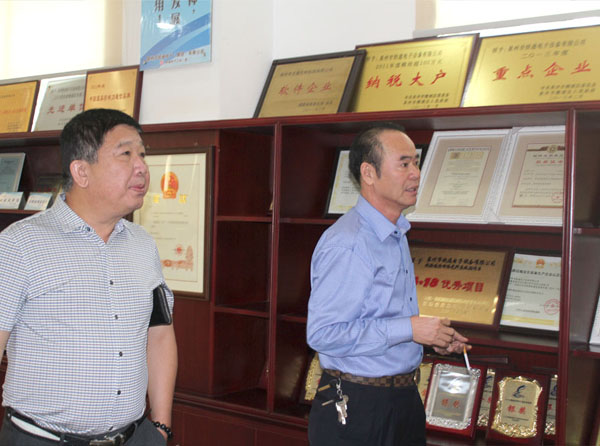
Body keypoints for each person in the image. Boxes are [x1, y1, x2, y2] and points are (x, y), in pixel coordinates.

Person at [0, 108, 177, 446]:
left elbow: (159, 334)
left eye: (142, 154)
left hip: (134, 437)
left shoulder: (143, 245)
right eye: (125, 154)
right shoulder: (19, 245)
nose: (141, 167)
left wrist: (161, 426)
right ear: (81, 171)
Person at [306, 123, 469, 446]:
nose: (416, 174)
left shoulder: (395, 233)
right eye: (404, 164)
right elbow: (323, 334)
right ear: (369, 173)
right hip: (358, 405)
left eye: (416, 163)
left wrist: (429, 337)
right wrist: (410, 329)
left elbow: (382, 316)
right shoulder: (348, 243)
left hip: (402, 400)